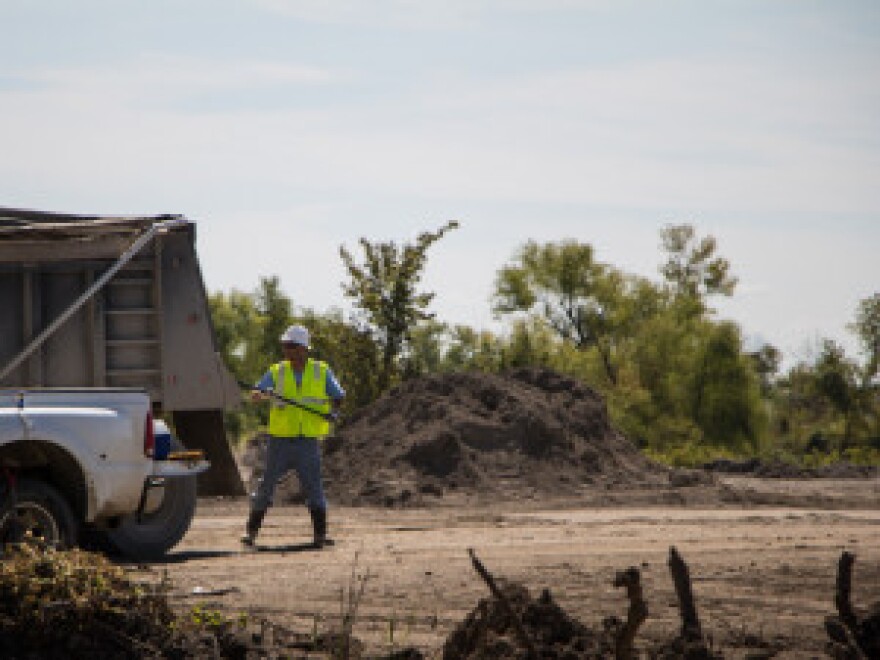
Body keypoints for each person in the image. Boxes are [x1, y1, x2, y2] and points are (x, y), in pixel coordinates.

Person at [241, 324, 344, 549]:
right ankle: (250, 534)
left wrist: (334, 413)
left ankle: (320, 536)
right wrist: (259, 394)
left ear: (303, 348)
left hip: (308, 440)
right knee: (266, 486)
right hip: (280, 440)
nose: (286, 350)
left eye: (291, 346)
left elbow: (338, 395)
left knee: (314, 488)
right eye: (285, 346)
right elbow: (257, 391)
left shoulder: (321, 371)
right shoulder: (277, 371)